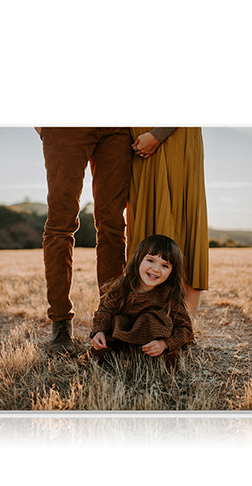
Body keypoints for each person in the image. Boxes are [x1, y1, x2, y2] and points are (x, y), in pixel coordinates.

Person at [37, 127, 133, 354]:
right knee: (61, 223)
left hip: (116, 127)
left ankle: (110, 319)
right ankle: (60, 321)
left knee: (113, 225)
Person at [126, 127, 208, 316]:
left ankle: (184, 323)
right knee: (143, 223)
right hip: (138, 144)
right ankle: (144, 319)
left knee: (183, 217)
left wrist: (158, 134)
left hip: (178, 137)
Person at [90, 234, 193, 363]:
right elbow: (104, 311)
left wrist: (165, 344)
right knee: (116, 322)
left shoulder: (168, 295)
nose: (156, 269)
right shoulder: (122, 287)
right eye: (150, 260)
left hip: (152, 345)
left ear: (172, 272)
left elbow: (186, 328)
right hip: (121, 340)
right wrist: (99, 331)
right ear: (138, 260)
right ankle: (120, 357)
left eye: (165, 266)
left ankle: (152, 360)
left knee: (154, 320)